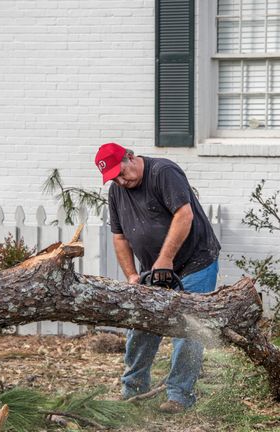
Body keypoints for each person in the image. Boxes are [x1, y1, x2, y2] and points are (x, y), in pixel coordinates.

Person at [94, 142, 220, 414]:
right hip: (154, 270)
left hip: (196, 261)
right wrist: (131, 274)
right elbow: (119, 236)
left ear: (130, 156)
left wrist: (166, 258)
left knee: (189, 330)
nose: (120, 180)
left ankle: (179, 396)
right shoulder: (117, 191)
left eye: (121, 172)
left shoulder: (162, 172)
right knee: (141, 327)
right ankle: (134, 391)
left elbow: (183, 214)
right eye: (113, 177)